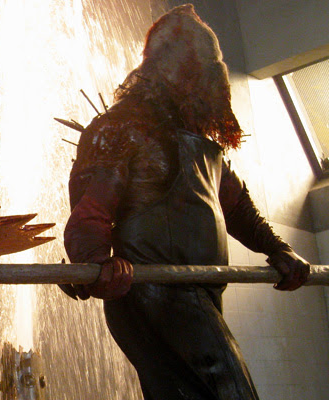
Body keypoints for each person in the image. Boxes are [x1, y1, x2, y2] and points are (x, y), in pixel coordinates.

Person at [62, 4, 310, 400]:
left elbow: (237, 208)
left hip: (198, 291)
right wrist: (93, 262)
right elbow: (92, 208)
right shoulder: (127, 127)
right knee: (230, 393)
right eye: (197, 67)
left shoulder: (201, 145)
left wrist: (278, 248)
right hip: (154, 291)